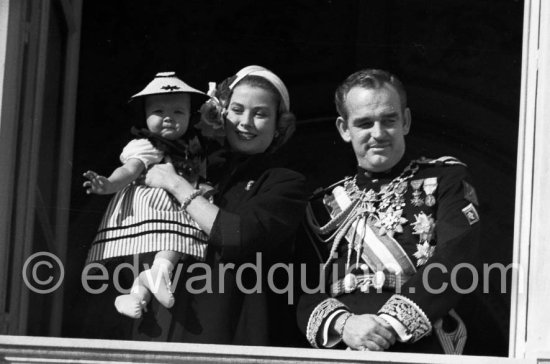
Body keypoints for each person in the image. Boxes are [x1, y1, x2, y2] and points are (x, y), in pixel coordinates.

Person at [296, 69, 480, 354]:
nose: (378, 133)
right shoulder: (322, 206)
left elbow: (455, 259)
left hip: (419, 346)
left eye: (389, 120)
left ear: (405, 121)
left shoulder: (446, 179)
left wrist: (387, 326)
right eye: (364, 123)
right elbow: (304, 289)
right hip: (343, 348)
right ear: (344, 129)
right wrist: (344, 325)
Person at [132, 65, 308, 345]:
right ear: (221, 114)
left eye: (260, 113)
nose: (245, 122)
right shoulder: (199, 166)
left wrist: (178, 186)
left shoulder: (285, 183)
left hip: (227, 335)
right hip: (161, 325)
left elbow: (239, 236)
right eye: (237, 110)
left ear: (279, 126)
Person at [83, 72, 209, 319]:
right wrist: (109, 184)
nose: (168, 118)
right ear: (145, 116)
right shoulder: (148, 145)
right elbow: (130, 169)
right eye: (159, 112)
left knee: (164, 252)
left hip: (177, 202)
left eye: (178, 112)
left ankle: (135, 296)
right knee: (172, 242)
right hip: (154, 205)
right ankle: (155, 275)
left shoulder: (193, 147)